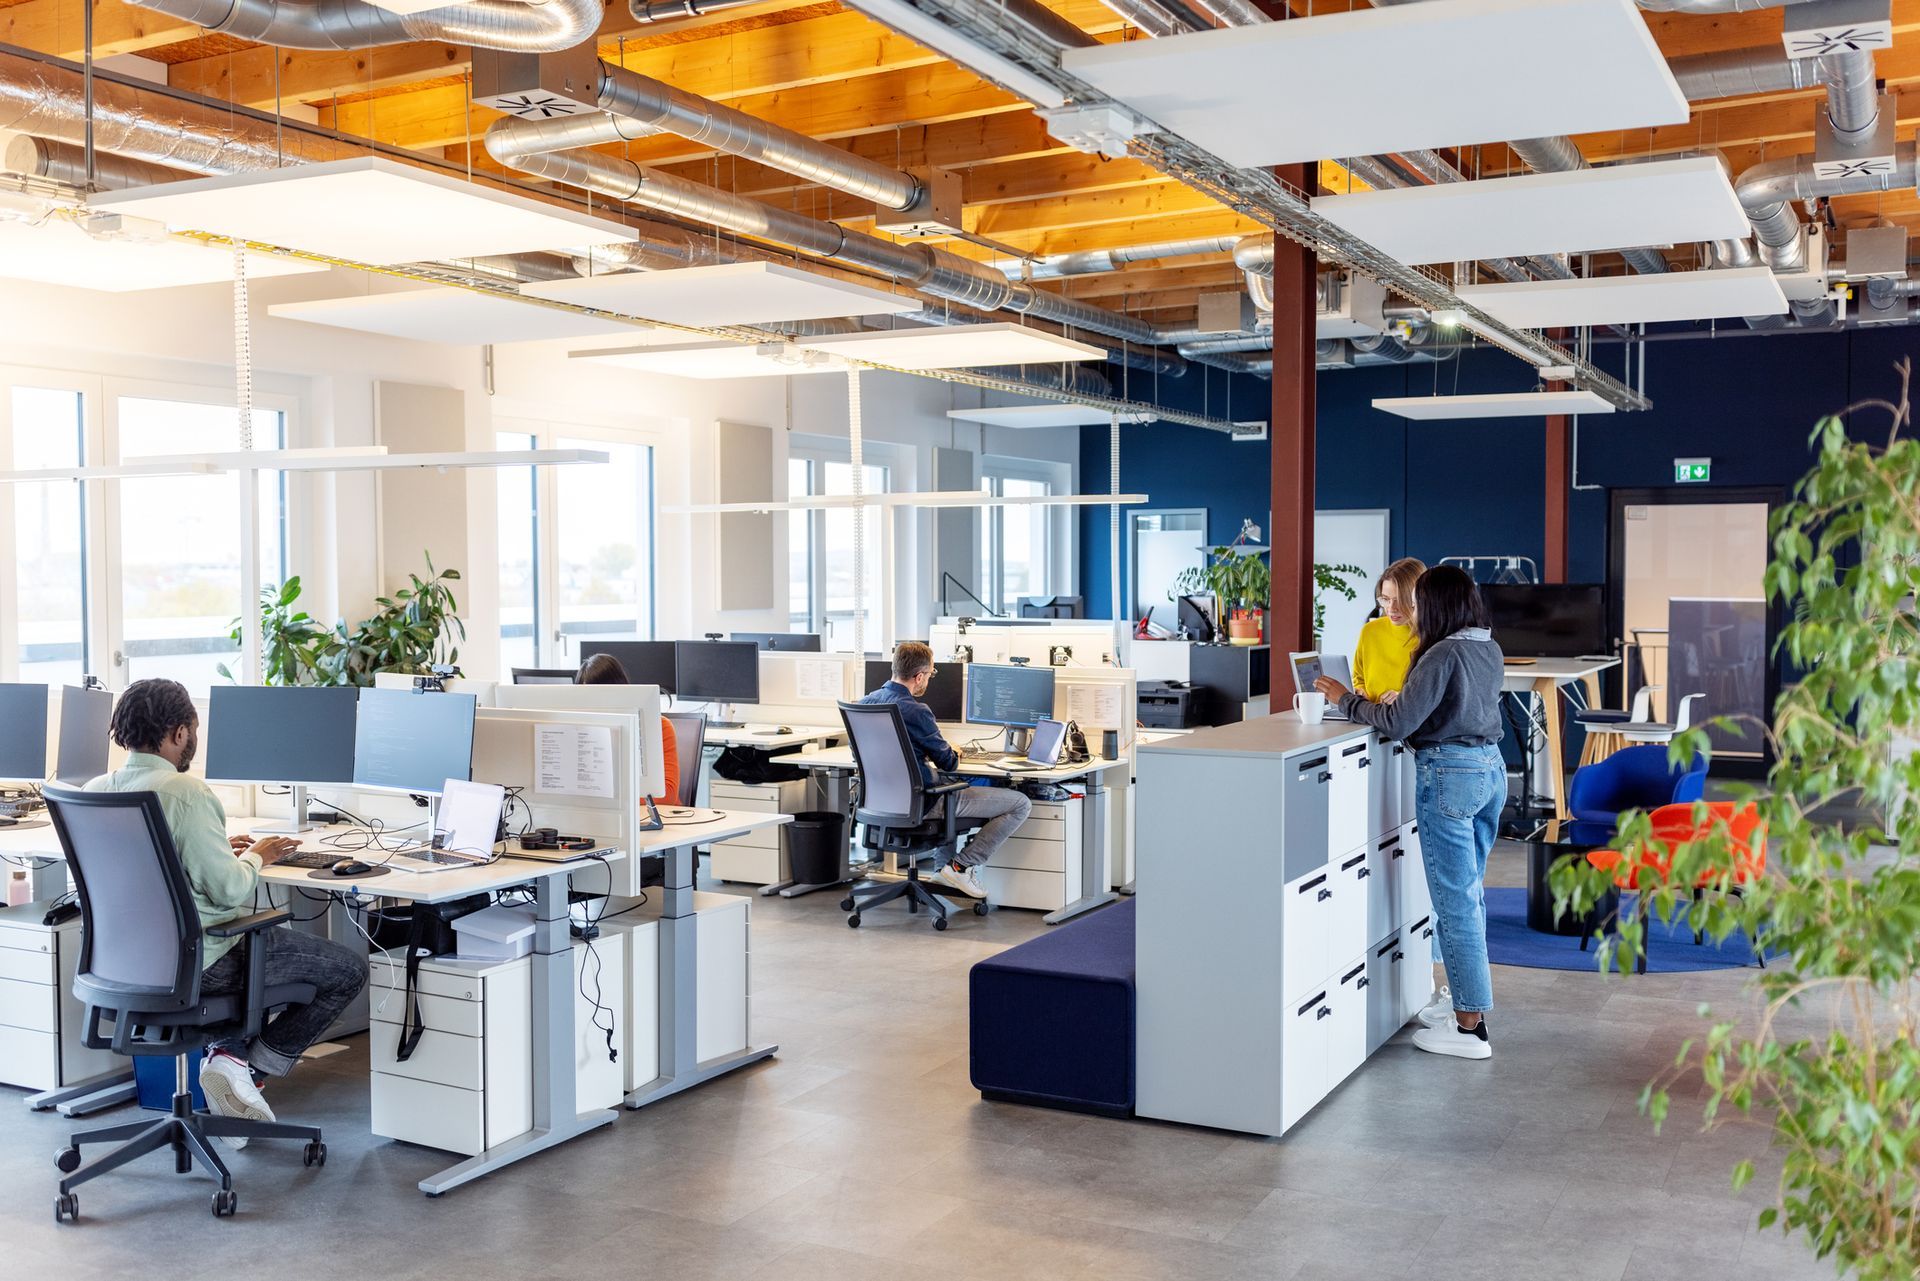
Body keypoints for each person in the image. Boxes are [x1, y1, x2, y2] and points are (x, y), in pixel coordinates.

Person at [85, 678, 368, 1142]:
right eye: (193, 729)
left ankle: (229, 1060)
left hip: (129, 963)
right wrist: (259, 855)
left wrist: (216, 847)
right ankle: (243, 1067)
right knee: (348, 970)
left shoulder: (97, 790)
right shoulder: (187, 794)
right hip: (203, 962)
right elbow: (229, 892)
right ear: (179, 733)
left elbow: (144, 870)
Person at [1317, 566, 1505, 1061]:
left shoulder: (1442, 652)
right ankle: (1468, 1006)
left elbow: (1399, 724)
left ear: (1438, 605)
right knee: (1469, 896)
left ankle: (1469, 1028)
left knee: (1454, 903)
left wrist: (1345, 700)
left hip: (1450, 774)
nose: (1410, 611)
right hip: (1490, 770)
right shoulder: (1486, 645)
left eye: (1419, 602)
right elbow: (1452, 707)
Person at [860, 642, 1031, 902]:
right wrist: (953, 751)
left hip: (884, 802)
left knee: (950, 784)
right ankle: (961, 867)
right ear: (919, 677)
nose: (928, 679)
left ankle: (943, 873)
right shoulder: (917, 711)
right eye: (929, 674)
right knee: (1020, 803)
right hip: (926, 803)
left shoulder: (865, 703)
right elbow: (948, 763)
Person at [576, 652, 681, 807]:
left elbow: (668, 795)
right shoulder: (577, 731)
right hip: (598, 816)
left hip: (656, 818)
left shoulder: (658, 727)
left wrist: (610, 800)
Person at [1352, 557, 1425, 704]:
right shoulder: (1370, 631)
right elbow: (1358, 678)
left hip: (1406, 722)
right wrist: (1360, 692)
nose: (1391, 608)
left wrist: (1403, 699)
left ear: (1418, 598)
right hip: (1370, 718)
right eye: (1385, 599)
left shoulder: (1433, 638)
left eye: (1399, 599)